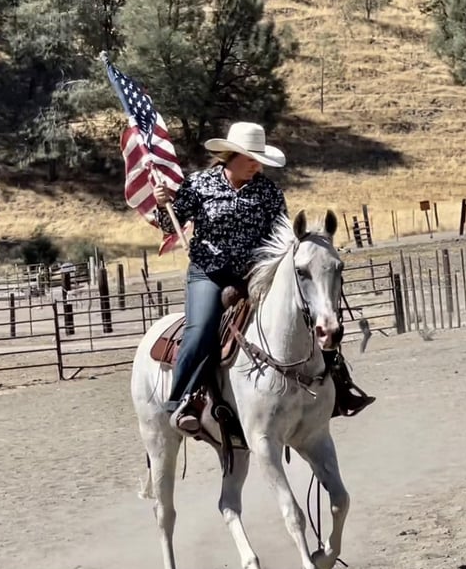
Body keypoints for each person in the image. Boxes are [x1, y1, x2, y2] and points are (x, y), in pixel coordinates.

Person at [153, 121, 374, 432]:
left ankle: (339, 386)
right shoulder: (199, 185)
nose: (257, 165)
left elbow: (283, 235)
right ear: (231, 156)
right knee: (202, 329)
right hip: (209, 274)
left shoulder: (268, 191)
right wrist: (163, 204)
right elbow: (168, 224)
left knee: (309, 315)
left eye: (259, 159)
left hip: (256, 274)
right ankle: (183, 400)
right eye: (251, 158)